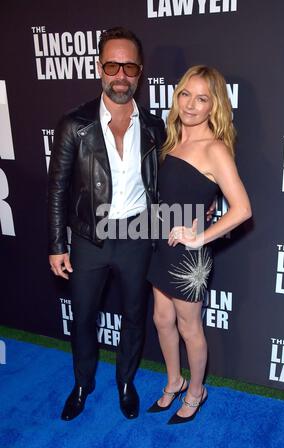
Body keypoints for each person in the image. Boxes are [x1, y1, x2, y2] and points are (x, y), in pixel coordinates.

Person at [48, 27, 165, 421]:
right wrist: (55, 244)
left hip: (135, 236)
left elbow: (168, 182)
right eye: (112, 65)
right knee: (83, 317)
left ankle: (126, 383)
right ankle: (82, 384)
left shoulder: (154, 127)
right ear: (99, 68)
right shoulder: (73, 125)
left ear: (139, 71)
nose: (120, 75)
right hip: (87, 238)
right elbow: (57, 191)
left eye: (128, 66)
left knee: (135, 315)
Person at [147, 65, 252, 424]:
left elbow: (242, 209)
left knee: (189, 327)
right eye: (185, 94)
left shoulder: (215, 149)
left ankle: (196, 391)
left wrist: (200, 237)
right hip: (161, 244)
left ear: (214, 106)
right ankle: (174, 380)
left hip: (188, 255)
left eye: (202, 98)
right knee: (162, 319)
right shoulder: (171, 138)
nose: (191, 104)